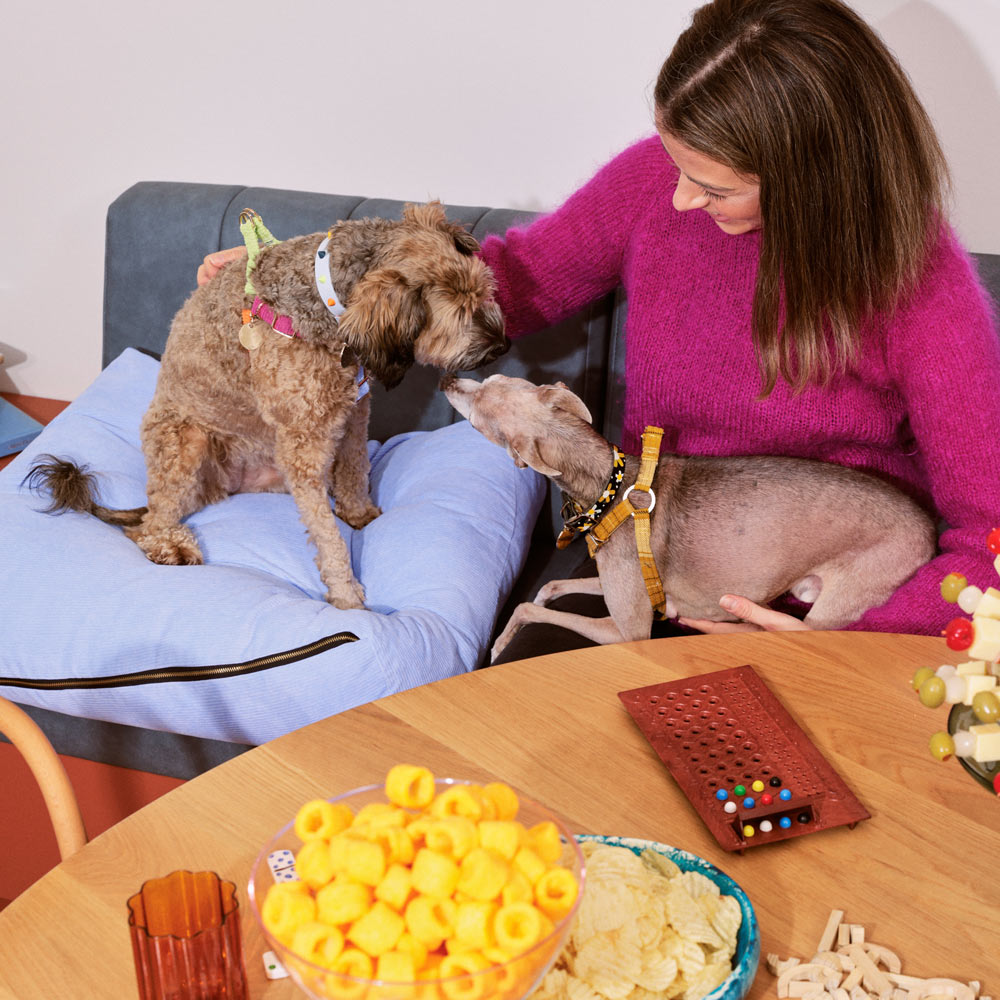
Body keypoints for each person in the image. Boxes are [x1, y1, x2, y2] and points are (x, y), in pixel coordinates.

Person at [199, 0, 1000, 654]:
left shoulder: (920, 284)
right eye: (676, 164)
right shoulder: (653, 187)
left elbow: (989, 541)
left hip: (825, 618)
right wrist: (301, 281)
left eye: (715, 187)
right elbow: (510, 282)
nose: (679, 199)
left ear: (814, 177)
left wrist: (847, 639)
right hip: (648, 574)